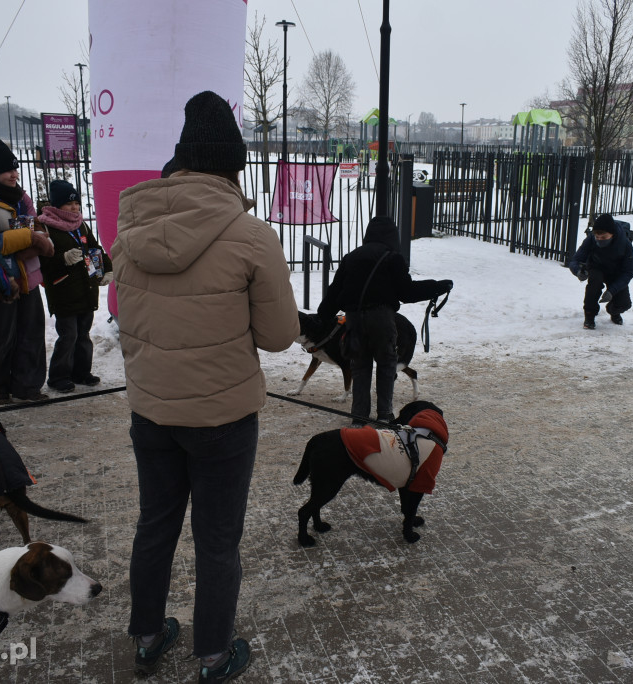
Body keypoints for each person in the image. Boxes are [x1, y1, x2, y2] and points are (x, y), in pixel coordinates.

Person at [113, 90, 298, 682]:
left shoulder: (129, 227)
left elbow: (129, 319)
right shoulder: (251, 234)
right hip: (223, 419)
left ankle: (147, 636)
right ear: (232, 167)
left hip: (152, 413)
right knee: (217, 542)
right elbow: (277, 337)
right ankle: (214, 654)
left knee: (155, 525)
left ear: (180, 161)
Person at [317, 215, 452, 425]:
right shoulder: (392, 258)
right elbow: (407, 292)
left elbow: (334, 293)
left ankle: (359, 416)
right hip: (381, 318)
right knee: (386, 364)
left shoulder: (351, 257)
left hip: (353, 319)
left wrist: (322, 316)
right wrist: (438, 286)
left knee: (360, 366)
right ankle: (384, 413)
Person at [0, 137, 54, 403]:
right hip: (4, 279)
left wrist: (31, 242)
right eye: (7, 170)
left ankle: (28, 387)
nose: (14, 174)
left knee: (31, 335)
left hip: (29, 276)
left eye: (15, 169)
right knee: (3, 337)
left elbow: (39, 231)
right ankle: (0, 388)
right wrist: (31, 240)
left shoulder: (23, 198)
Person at [37, 180, 110, 393]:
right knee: (68, 335)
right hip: (64, 291)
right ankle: (59, 376)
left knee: (83, 334)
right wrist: (63, 259)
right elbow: (41, 262)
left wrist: (106, 269)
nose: (75, 207)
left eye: (77, 202)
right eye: (69, 204)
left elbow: (95, 249)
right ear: (57, 205)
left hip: (86, 289)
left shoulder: (81, 225)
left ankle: (81, 372)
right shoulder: (46, 226)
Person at [568, 213, 633, 329]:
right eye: (597, 237)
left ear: (612, 234)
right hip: (596, 268)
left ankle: (613, 311)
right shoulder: (591, 239)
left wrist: (612, 291)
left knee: (624, 304)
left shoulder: (625, 244)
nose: (599, 240)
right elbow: (576, 260)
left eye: (603, 237)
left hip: (616, 272)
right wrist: (578, 271)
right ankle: (589, 316)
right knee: (594, 284)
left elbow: (629, 272)